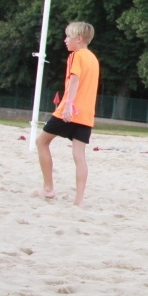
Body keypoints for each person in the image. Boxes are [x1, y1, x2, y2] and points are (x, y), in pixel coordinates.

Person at [37, 22, 100, 207]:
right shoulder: (93, 59)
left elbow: (75, 80)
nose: (65, 40)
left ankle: (48, 188)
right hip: (87, 114)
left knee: (41, 142)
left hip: (70, 110)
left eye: (68, 37)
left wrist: (68, 105)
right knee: (79, 156)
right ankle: (78, 201)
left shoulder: (76, 55)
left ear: (79, 39)